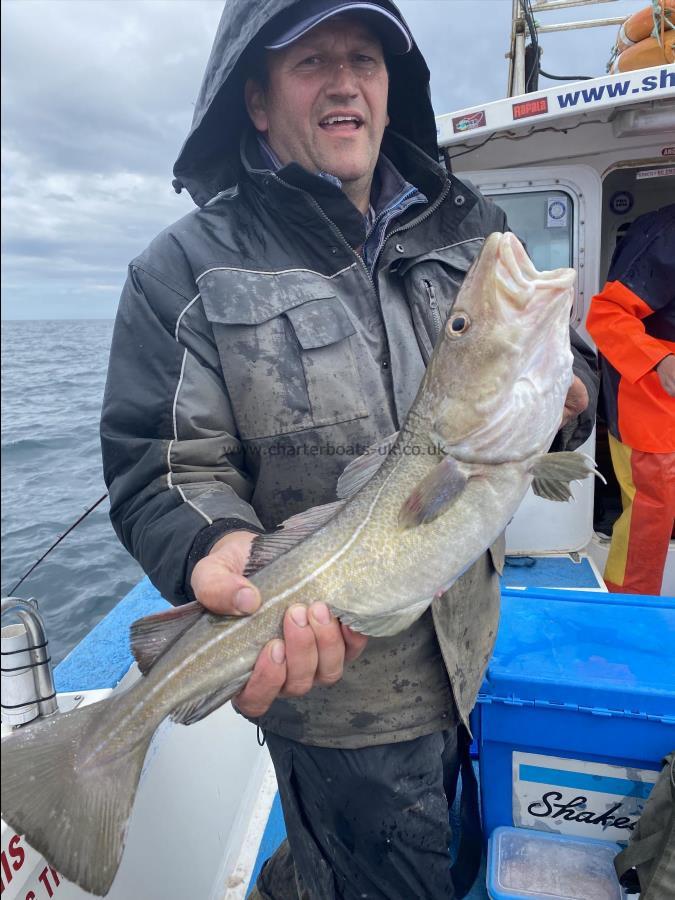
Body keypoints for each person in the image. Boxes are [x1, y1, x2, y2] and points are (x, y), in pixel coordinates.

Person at [100, 2, 598, 896]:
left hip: (464, 653)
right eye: (311, 61)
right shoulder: (180, 270)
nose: (344, 81)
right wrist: (216, 547)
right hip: (326, 684)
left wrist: (565, 403)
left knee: (442, 840)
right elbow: (162, 463)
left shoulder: (468, 223)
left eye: (364, 58)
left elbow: (561, 358)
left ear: (388, 84)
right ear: (254, 100)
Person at [586, 205, 675, 596]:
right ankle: (627, 614)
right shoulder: (665, 232)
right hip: (652, 413)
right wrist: (659, 360)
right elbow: (606, 314)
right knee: (648, 520)